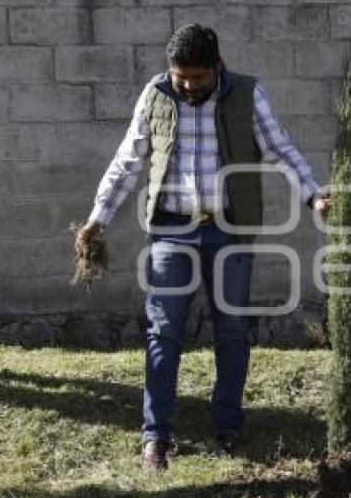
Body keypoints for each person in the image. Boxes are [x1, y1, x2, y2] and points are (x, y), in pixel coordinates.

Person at [75, 24, 324, 471]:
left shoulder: (247, 93)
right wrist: (98, 219)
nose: (189, 85)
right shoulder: (155, 95)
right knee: (163, 332)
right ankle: (157, 438)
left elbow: (280, 149)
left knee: (232, 332)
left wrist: (313, 194)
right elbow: (127, 161)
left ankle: (227, 427)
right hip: (171, 231)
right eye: (180, 77)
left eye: (198, 78)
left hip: (229, 231)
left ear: (217, 66)